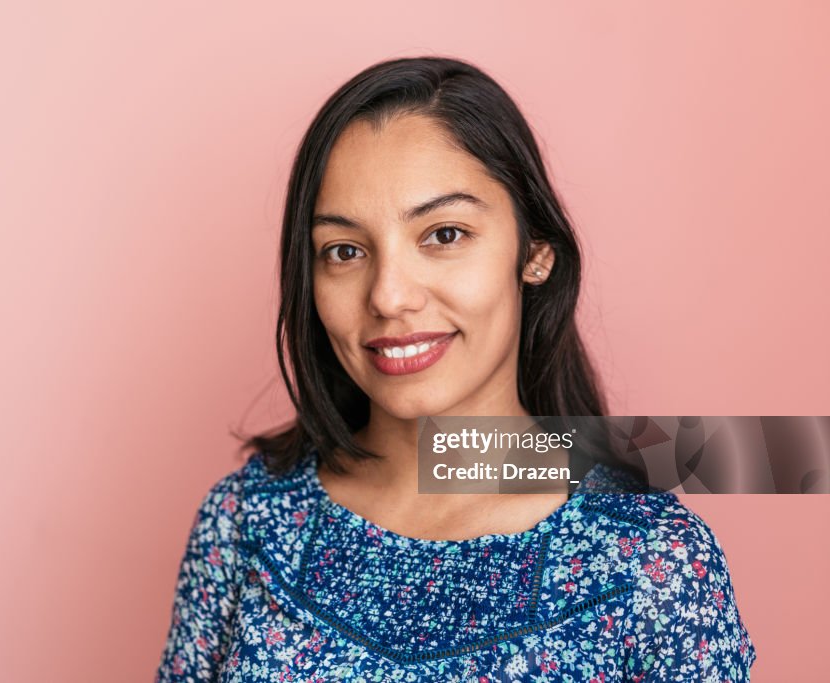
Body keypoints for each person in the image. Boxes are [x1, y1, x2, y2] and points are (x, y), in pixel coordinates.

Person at [156, 56, 757, 682]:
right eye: (344, 251)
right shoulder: (245, 522)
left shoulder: (653, 560)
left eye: (444, 235)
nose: (388, 296)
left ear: (535, 253)